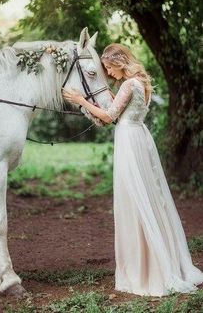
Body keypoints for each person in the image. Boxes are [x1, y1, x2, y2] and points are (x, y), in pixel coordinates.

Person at [62, 43, 203, 296]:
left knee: (133, 200)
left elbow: (109, 116)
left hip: (129, 140)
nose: (108, 72)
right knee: (147, 197)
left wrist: (80, 100)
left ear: (118, 63)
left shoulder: (128, 84)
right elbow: (121, 109)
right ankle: (157, 258)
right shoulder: (141, 83)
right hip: (140, 137)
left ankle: (145, 269)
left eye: (108, 67)